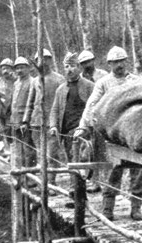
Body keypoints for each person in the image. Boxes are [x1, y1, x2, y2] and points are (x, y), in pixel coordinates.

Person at [74, 46, 142, 221]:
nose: (119, 65)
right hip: (113, 134)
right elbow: (91, 105)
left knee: (138, 171)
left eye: (121, 61)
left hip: (134, 133)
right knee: (114, 170)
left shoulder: (136, 81)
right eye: (114, 62)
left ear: (126, 61)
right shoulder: (104, 83)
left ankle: (136, 208)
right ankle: (108, 209)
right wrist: (83, 126)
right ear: (109, 64)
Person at [49, 53, 95, 196]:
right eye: (67, 66)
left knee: (83, 157)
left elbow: (95, 107)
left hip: (83, 130)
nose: (70, 70)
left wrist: (87, 127)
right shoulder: (61, 89)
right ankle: (74, 186)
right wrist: (53, 126)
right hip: (66, 130)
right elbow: (55, 109)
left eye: (73, 66)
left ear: (79, 68)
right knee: (71, 158)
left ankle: (87, 184)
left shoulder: (89, 86)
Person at [23, 49, 65, 186]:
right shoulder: (35, 81)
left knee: (51, 155)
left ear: (50, 60)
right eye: (40, 59)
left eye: (46, 58)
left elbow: (63, 103)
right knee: (40, 154)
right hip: (36, 122)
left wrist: (60, 122)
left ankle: (51, 183)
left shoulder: (59, 79)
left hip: (52, 124)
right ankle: (42, 182)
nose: (43, 62)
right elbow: (30, 102)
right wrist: (26, 120)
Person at [10, 56, 36, 168]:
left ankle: (30, 176)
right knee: (17, 148)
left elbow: (31, 103)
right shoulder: (16, 83)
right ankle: (20, 173)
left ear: (28, 68)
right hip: (15, 120)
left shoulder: (32, 82)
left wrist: (26, 120)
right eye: (17, 68)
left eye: (22, 67)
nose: (19, 70)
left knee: (28, 148)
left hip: (26, 121)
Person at [0, 58, 16, 155]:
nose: (5, 71)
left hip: (13, 111)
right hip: (2, 110)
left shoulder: (16, 80)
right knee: (0, 131)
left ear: (12, 69)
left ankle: (13, 152)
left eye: (7, 68)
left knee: (11, 131)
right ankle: (2, 150)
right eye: (3, 69)